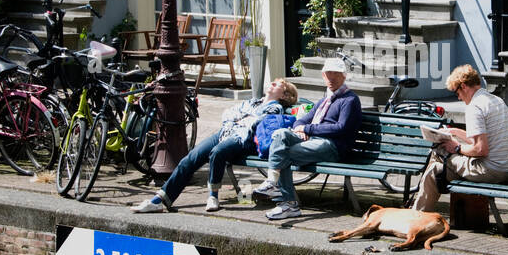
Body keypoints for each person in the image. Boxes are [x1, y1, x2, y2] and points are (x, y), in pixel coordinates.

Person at [132, 79, 298, 214]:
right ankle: (159, 200)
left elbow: (256, 123)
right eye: (273, 82)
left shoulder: (276, 108)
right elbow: (229, 112)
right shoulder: (253, 102)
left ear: (284, 95)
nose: (272, 84)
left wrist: (241, 119)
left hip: (244, 139)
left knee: (216, 152)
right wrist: (237, 120)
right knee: (190, 159)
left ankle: (213, 196)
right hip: (227, 132)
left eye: (277, 85)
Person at [252, 57, 361, 220]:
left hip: (333, 147)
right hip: (313, 140)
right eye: (328, 73)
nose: (331, 77)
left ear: (343, 76)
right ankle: (273, 184)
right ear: (323, 76)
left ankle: (288, 203)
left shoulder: (350, 100)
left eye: (335, 74)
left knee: (284, 153)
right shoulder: (325, 99)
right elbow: (301, 120)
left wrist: (308, 128)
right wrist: (300, 128)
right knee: (279, 134)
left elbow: (341, 127)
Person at [412, 65, 508, 212]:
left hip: (489, 170)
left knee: (439, 151)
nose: (458, 97)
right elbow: (482, 142)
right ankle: (417, 212)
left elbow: (481, 149)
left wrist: (456, 148)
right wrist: (456, 132)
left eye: (457, 92)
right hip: (506, 170)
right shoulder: (496, 100)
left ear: (463, 86)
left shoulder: (474, 107)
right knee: (435, 170)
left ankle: (414, 216)